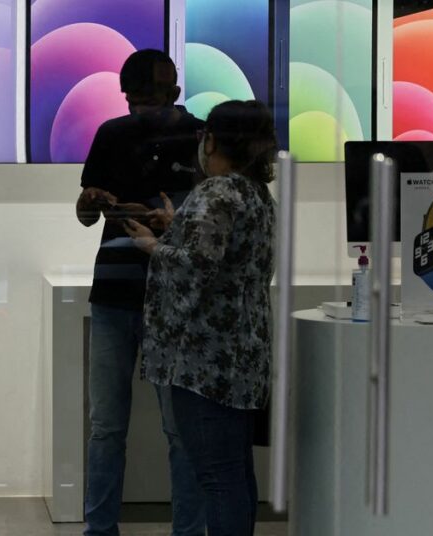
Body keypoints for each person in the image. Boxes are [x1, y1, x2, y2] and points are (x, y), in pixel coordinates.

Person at [124, 100, 278, 536]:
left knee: (216, 477)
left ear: (212, 140)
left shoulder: (215, 192)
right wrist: (179, 225)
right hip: (244, 358)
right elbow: (224, 257)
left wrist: (155, 248)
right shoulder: (255, 195)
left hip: (204, 365)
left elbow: (196, 268)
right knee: (236, 474)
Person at [75, 49, 205, 536]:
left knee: (174, 431)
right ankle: (100, 529)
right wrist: (91, 200)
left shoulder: (197, 136)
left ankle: (184, 531)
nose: (157, 100)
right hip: (117, 292)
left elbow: (209, 215)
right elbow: (87, 214)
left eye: (163, 90)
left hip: (171, 293)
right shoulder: (113, 135)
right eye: (148, 92)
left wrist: (169, 222)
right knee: (109, 427)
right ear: (129, 95)